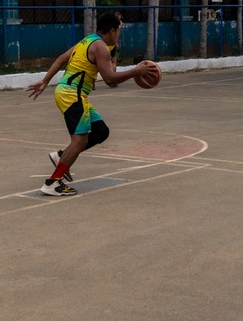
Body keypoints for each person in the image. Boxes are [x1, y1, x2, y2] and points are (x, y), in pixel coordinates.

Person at [26, 12, 158, 196]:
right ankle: (52, 182)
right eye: (119, 29)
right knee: (79, 141)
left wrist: (45, 81)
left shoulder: (87, 41)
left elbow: (61, 58)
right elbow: (110, 78)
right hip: (73, 95)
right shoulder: (100, 47)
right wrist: (136, 71)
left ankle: (61, 156)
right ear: (112, 30)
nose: (119, 33)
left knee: (101, 131)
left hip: (72, 93)